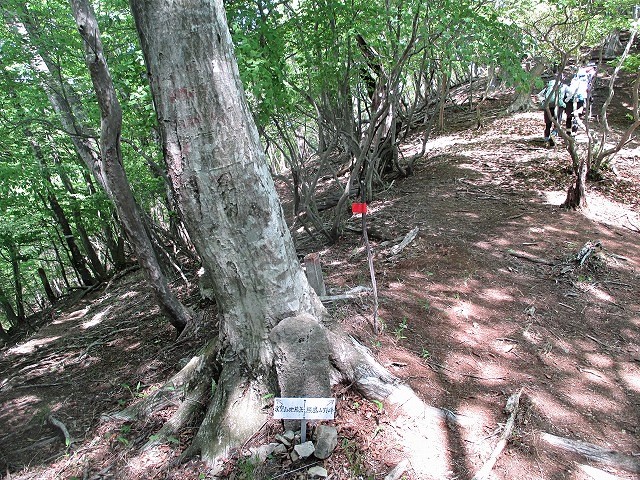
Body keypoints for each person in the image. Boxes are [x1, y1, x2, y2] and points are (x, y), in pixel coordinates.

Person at [537, 76, 567, 146]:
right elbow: (571, 93)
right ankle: (553, 134)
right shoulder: (563, 86)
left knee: (548, 125)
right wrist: (566, 101)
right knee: (557, 123)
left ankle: (546, 140)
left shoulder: (549, 86)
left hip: (548, 106)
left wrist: (543, 101)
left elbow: (539, 95)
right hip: (559, 106)